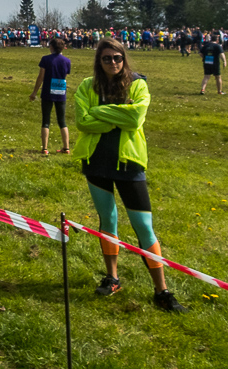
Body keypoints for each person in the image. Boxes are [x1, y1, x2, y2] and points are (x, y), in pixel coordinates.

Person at [72, 37, 187, 313]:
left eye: (117, 58)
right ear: (98, 62)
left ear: (124, 59)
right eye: (107, 58)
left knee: (144, 227)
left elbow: (135, 119)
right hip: (97, 163)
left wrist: (100, 112)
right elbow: (82, 121)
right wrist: (117, 114)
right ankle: (112, 278)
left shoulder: (138, 84)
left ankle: (162, 291)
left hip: (130, 165)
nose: (113, 62)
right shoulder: (88, 86)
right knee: (107, 220)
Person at [29, 37, 71, 155]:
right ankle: (66, 147)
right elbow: (65, 75)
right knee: (62, 121)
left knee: (46, 120)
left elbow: (41, 77)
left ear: (51, 47)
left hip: (47, 91)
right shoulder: (67, 61)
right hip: (61, 92)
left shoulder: (46, 59)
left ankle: (45, 148)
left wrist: (34, 92)